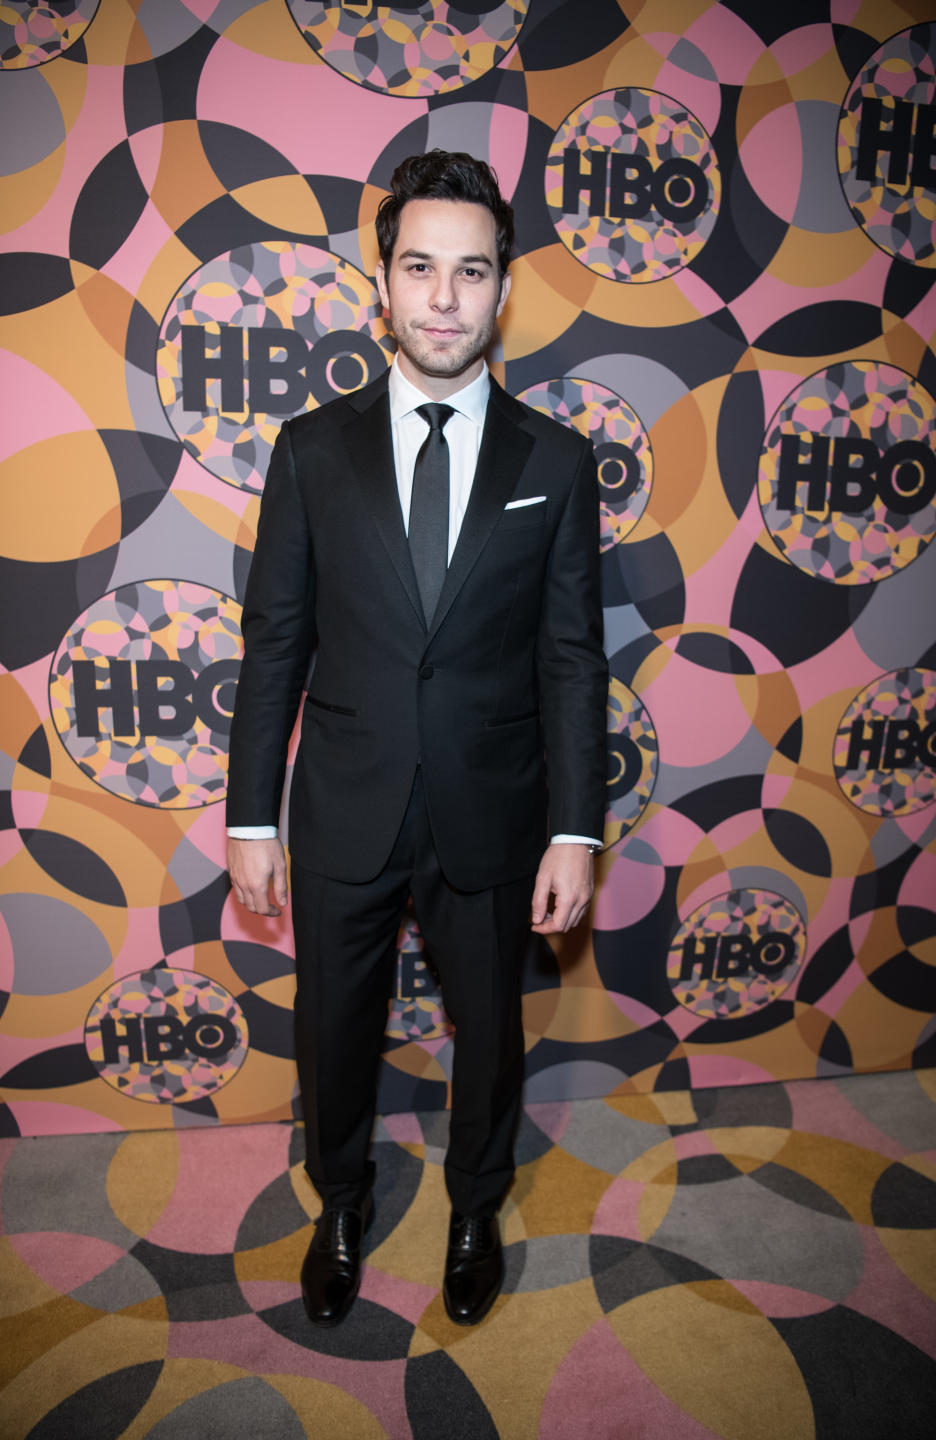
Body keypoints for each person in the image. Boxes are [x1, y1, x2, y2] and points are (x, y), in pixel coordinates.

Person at [226, 150, 608, 1328]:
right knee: (334, 1032)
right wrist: (250, 816)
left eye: (472, 272)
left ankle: (475, 1205)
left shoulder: (556, 460)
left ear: (504, 291)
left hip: (494, 806)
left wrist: (576, 829)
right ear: (382, 284)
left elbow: (569, 658)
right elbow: (275, 645)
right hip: (344, 797)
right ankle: (339, 1201)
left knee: (488, 1035)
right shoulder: (310, 452)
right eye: (421, 268)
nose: (445, 298)